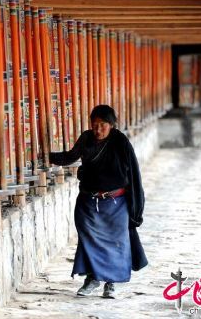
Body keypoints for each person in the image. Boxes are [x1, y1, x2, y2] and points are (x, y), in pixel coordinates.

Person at [49, 105, 147, 298]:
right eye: (95, 125)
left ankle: (110, 283)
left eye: (103, 125)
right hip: (88, 202)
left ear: (111, 125)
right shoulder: (86, 138)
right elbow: (70, 156)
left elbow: (133, 174)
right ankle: (92, 279)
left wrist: (136, 207)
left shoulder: (120, 142)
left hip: (115, 203)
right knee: (89, 241)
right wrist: (47, 156)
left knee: (116, 243)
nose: (98, 129)